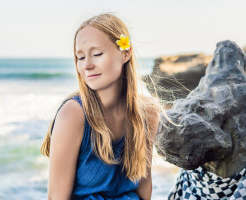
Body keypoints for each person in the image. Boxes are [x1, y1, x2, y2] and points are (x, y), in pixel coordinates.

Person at [40, 13, 163, 200]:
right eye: (80, 57)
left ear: (125, 53)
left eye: (97, 54)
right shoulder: (73, 114)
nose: (87, 65)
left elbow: (144, 186)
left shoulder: (149, 112)